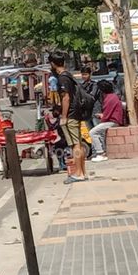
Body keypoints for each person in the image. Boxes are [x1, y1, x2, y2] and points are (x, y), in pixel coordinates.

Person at [50, 52, 88, 184]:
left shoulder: (62, 78)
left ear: (53, 64)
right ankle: (82, 172)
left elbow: (66, 98)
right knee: (78, 143)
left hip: (70, 114)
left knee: (74, 145)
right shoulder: (69, 75)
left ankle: (78, 173)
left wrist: (64, 116)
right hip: (75, 113)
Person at [88, 80, 123, 162]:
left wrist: (101, 117)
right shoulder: (113, 96)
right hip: (113, 120)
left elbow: (106, 115)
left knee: (92, 132)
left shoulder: (109, 98)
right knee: (98, 133)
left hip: (112, 121)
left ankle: (100, 153)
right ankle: (102, 151)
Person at [80, 66, 101, 149]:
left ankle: (101, 149)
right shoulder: (82, 86)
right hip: (86, 113)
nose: (84, 76)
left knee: (97, 131)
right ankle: (95, 150)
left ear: (90, 74)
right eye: (83, 74)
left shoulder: (95, 85)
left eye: (86, 74)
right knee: (90, 133)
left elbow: (92, 97)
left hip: (95, 111)